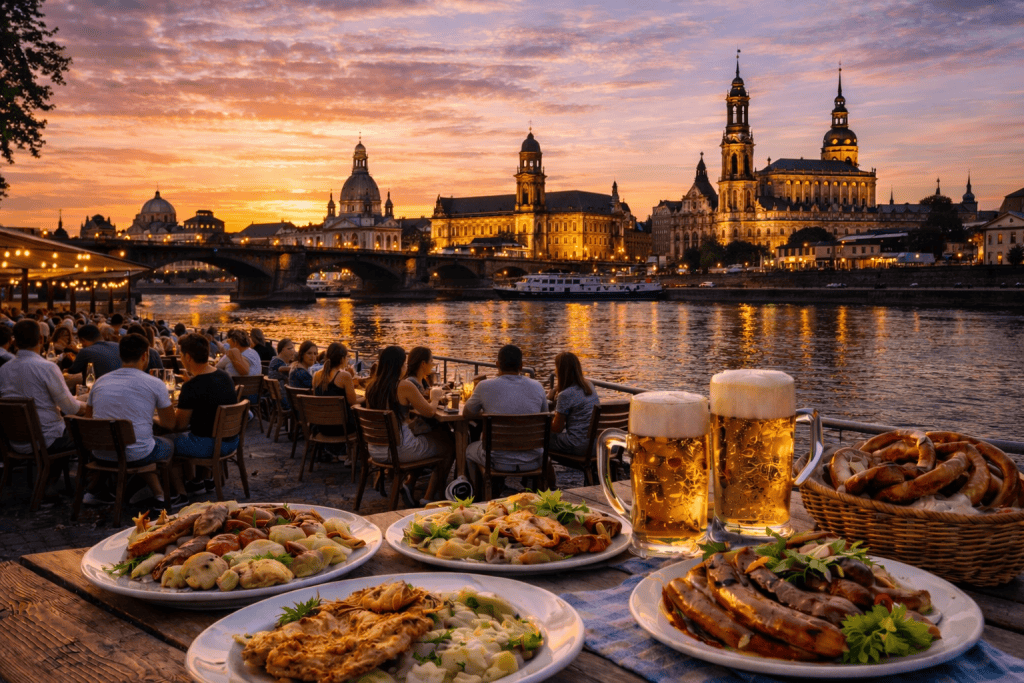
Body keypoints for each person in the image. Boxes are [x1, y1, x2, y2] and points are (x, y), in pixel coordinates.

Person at [87, 333, 183, 512]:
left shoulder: (100, 382)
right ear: (146, 355)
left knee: (137, 443)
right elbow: (170, 424)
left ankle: (95, 490)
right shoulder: (154, 384)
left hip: (100, 453)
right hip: (136, 455)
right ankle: (160, 494)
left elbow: (89, 419)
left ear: (120, 355)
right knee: (165, 445)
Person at [363, 346, 453, 491]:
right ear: (398, 365)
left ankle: (410, 484)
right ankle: (428, 496)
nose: (406, 366)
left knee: (431, 435)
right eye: (404, 363)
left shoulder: (372, 387)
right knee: (449, 445)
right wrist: (435, 397)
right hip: (399, 450)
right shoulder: (404, 386)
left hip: (375, 449)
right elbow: (429, 412)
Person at [0, 319, 88, 465]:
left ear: (14, 342)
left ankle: (50, 476)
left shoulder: (3, 370)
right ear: (41, 339)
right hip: (47, 440)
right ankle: (87, 484)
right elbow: (70, 408)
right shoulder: (46, 368)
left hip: (15, 441)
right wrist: (88, 405)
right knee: (91, 433)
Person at [463, 344, 549, 480]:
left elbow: (467, 413)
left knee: (469, 450)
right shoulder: (538, 386)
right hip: (533, 460)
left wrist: (485, 413)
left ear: (497, 364)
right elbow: (545, 415)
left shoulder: (484, 386)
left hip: (497, 462)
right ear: (521, 366)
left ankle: (478, 493)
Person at [172, 333, 241, 493]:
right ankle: (203, 479)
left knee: (169, 443)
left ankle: (180, 492)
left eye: (181, 355)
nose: (181, 358)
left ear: (188, 357)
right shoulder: (225, 377)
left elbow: (179, 425)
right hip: (232, 441)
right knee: (198, 432)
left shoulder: (191, 387)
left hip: (210, 447)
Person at [546, 351, 601, 456]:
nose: (555, 371)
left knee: (540, 438)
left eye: (556, 368)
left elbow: (557, 428)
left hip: (577, 446)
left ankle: (536, 468)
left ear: (561, 371)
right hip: (594, 444)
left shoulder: (565, 395)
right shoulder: (589, 385)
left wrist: (547, 402)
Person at [311, 343, 362, 449]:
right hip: (342, 427)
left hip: (321, 426)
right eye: (347, 357)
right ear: (343, 358)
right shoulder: (344, 376)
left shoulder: (316, 375)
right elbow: (353, 402)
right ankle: (357, 455)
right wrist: (368, 396)